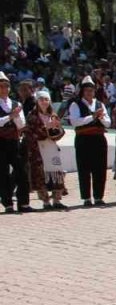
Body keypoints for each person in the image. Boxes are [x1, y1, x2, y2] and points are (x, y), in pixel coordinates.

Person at [68, 76, 111, 208]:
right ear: (82, 91)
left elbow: (108, 123)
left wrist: (101, 118)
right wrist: (92, 117)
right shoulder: (76, 104)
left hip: (98, 139)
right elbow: (74, 121)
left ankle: (98, 196)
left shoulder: (99, 104)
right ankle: (86, 197)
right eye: (86, 90)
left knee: (100, 168)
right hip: (83, 139)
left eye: (91, 90)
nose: (89, 93)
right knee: (84, 168)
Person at [23, 90, 67, 210]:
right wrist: (45, 128)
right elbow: (30, 133)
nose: (44, 102)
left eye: (46, 99)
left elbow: (60, 133)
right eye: (41, 99)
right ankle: (45, 201)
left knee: (56, 172)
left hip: (51, 148)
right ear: (37, 101)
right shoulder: (32, 116)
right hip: (38, 149)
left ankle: (57, 200)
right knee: (40, 174)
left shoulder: (53, 115)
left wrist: (57, 128)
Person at [0, 72, 29, 214]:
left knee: (21, 171)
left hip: (14, 140)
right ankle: (7, 203)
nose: (4, 89)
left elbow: (21, 124)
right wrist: (9, 117)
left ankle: (23, 202)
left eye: (6, 86)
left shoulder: (16, 104)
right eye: (1, 86)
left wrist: (16, 117)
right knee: (3, 172)